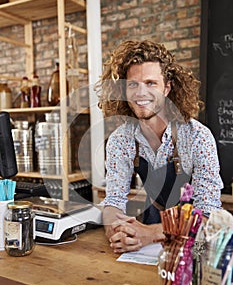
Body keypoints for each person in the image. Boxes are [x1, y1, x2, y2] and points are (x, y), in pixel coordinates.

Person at [95, 39, 223, 254]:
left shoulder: (198, 137)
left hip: (194, 241)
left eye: (151, 83)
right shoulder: (120, 140)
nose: (140, 93)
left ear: (167, 88)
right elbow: (113, 200)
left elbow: (208, 215)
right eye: (133, 84)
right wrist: (117, 230)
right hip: (151, 238)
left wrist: (150, 233)